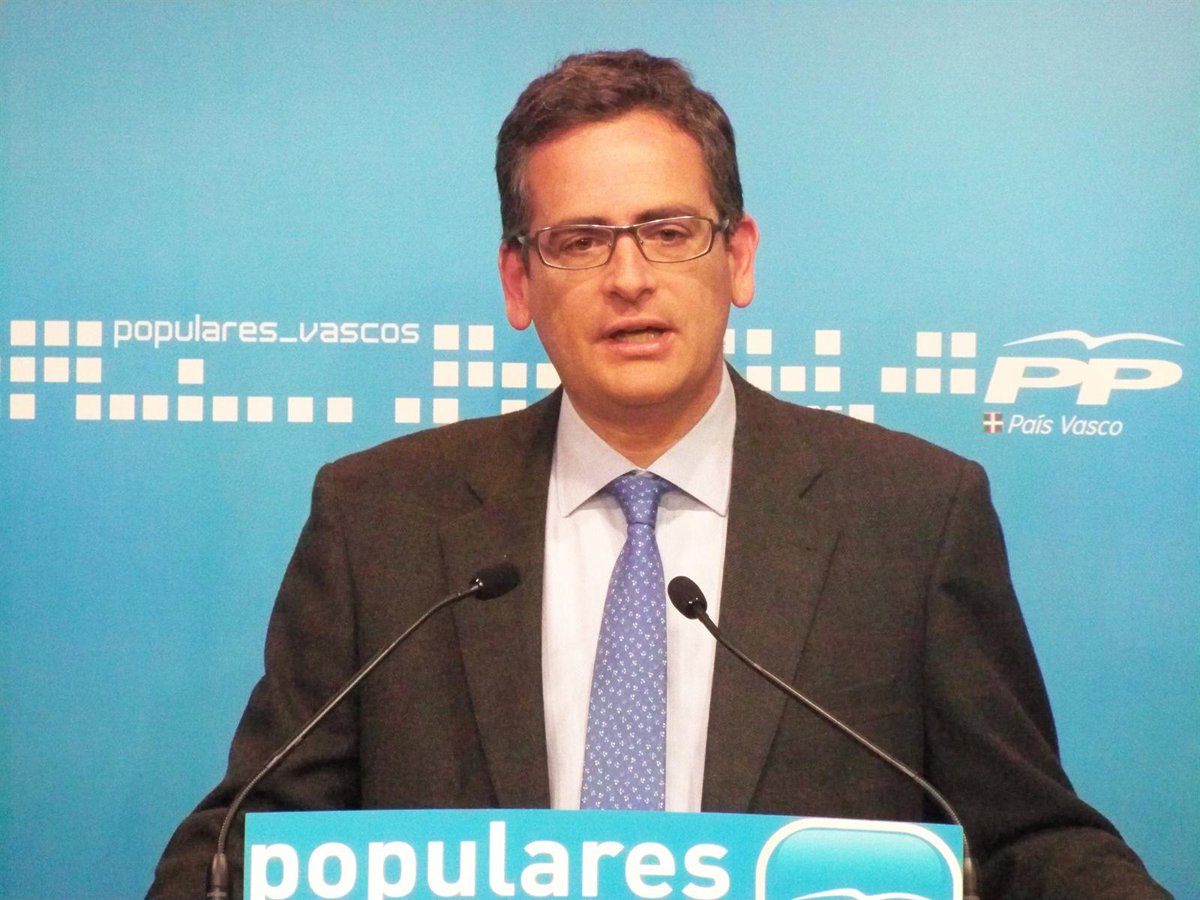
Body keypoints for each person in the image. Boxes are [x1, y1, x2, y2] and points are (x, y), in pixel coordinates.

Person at [150, 50, 1169, 898]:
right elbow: (248, 842)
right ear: (518, 280)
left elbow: (1026, 838)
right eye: (580, 241)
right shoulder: (381, 520)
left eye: (669, 232)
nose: (629, 278)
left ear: (739, 258)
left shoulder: (910, 517)